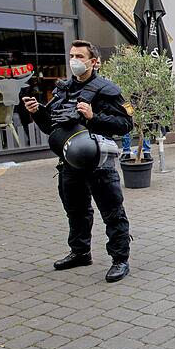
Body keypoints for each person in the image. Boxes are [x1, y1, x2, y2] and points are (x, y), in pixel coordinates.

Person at [22, 40, 133, 282]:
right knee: (75, 210)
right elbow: (51, 126)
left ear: (93, 62)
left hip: (99, 161)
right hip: (69, 161)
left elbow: (125, 125)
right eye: (72, 55)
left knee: (112, 211)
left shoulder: (107, 90)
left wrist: (94, 117)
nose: (75, 60)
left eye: (80, 56)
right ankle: (80, 252)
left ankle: (120, 259)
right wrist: (37, 111)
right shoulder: (63, 90)